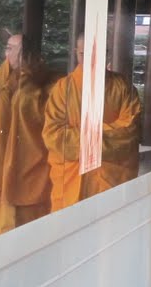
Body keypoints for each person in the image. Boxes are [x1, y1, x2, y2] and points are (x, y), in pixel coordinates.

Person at [42, 34, 142, 211]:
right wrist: (101, 138)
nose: (89, 60)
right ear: (75, 53)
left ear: (107, 54)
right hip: (71, 181)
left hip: (111, 180)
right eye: (83, 54)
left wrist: (82, 135)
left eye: (96, 55)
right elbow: (53, 135)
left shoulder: (123, 86)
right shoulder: (62, 89)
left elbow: (129, 130)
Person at [0, 31, 55, 238]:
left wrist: (29, 81)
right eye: (9, 49)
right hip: (3, 177)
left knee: (32, 241)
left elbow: (41, 117)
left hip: (34, 176)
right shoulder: (3, 81)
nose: (10, 55)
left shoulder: (51, 83)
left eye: (15, 50)